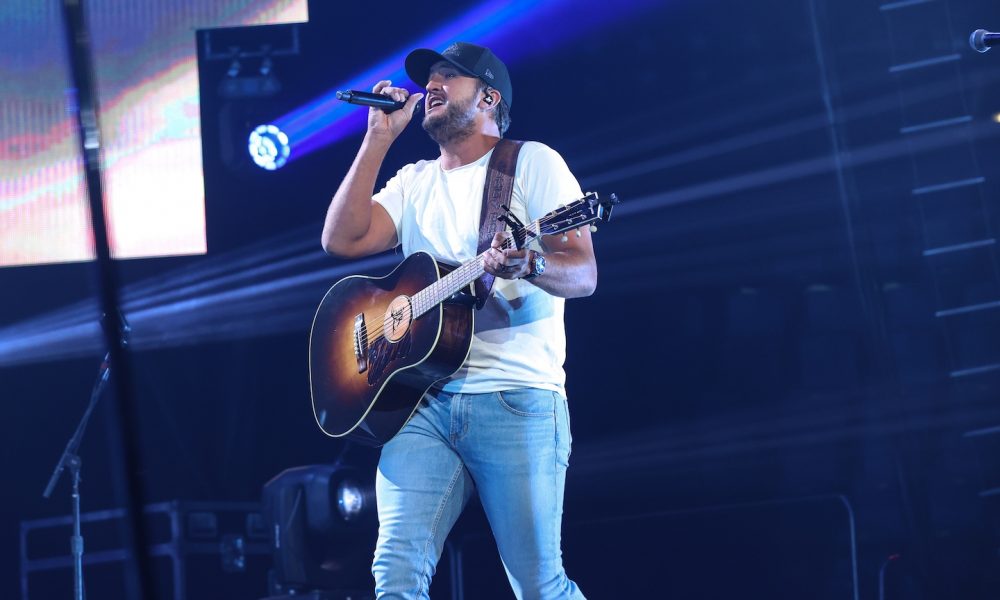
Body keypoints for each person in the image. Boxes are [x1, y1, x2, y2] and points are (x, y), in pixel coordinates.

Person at [321, 41, 594, 600]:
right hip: (421, 401)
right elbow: (341, 239)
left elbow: (583, 274)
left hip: (515, 400)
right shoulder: (414, 180)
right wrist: (378, 138)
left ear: (489, 97)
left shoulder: (532, 162)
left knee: (538, 587)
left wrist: (530, 260)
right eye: (430, 77)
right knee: (395, 576)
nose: (432, 85)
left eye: (451, 76)